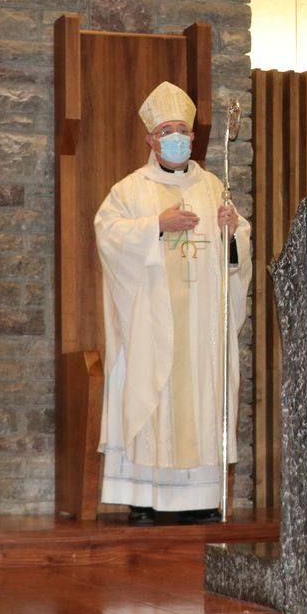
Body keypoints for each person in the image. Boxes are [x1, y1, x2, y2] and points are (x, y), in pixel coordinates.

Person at [94, 82, 251, 525]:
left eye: (182, 128)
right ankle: (144, 499)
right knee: (152, 391)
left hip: (201, 327)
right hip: (152, 323)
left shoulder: (213, 186)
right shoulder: (129, 191)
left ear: (193, 136)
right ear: (150, 139)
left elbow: (238, 254)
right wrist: (155, 226)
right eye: (166, 130)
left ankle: (201, 500)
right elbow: (108, 235)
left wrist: (232, 231)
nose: (176, 136)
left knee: (204, 397)